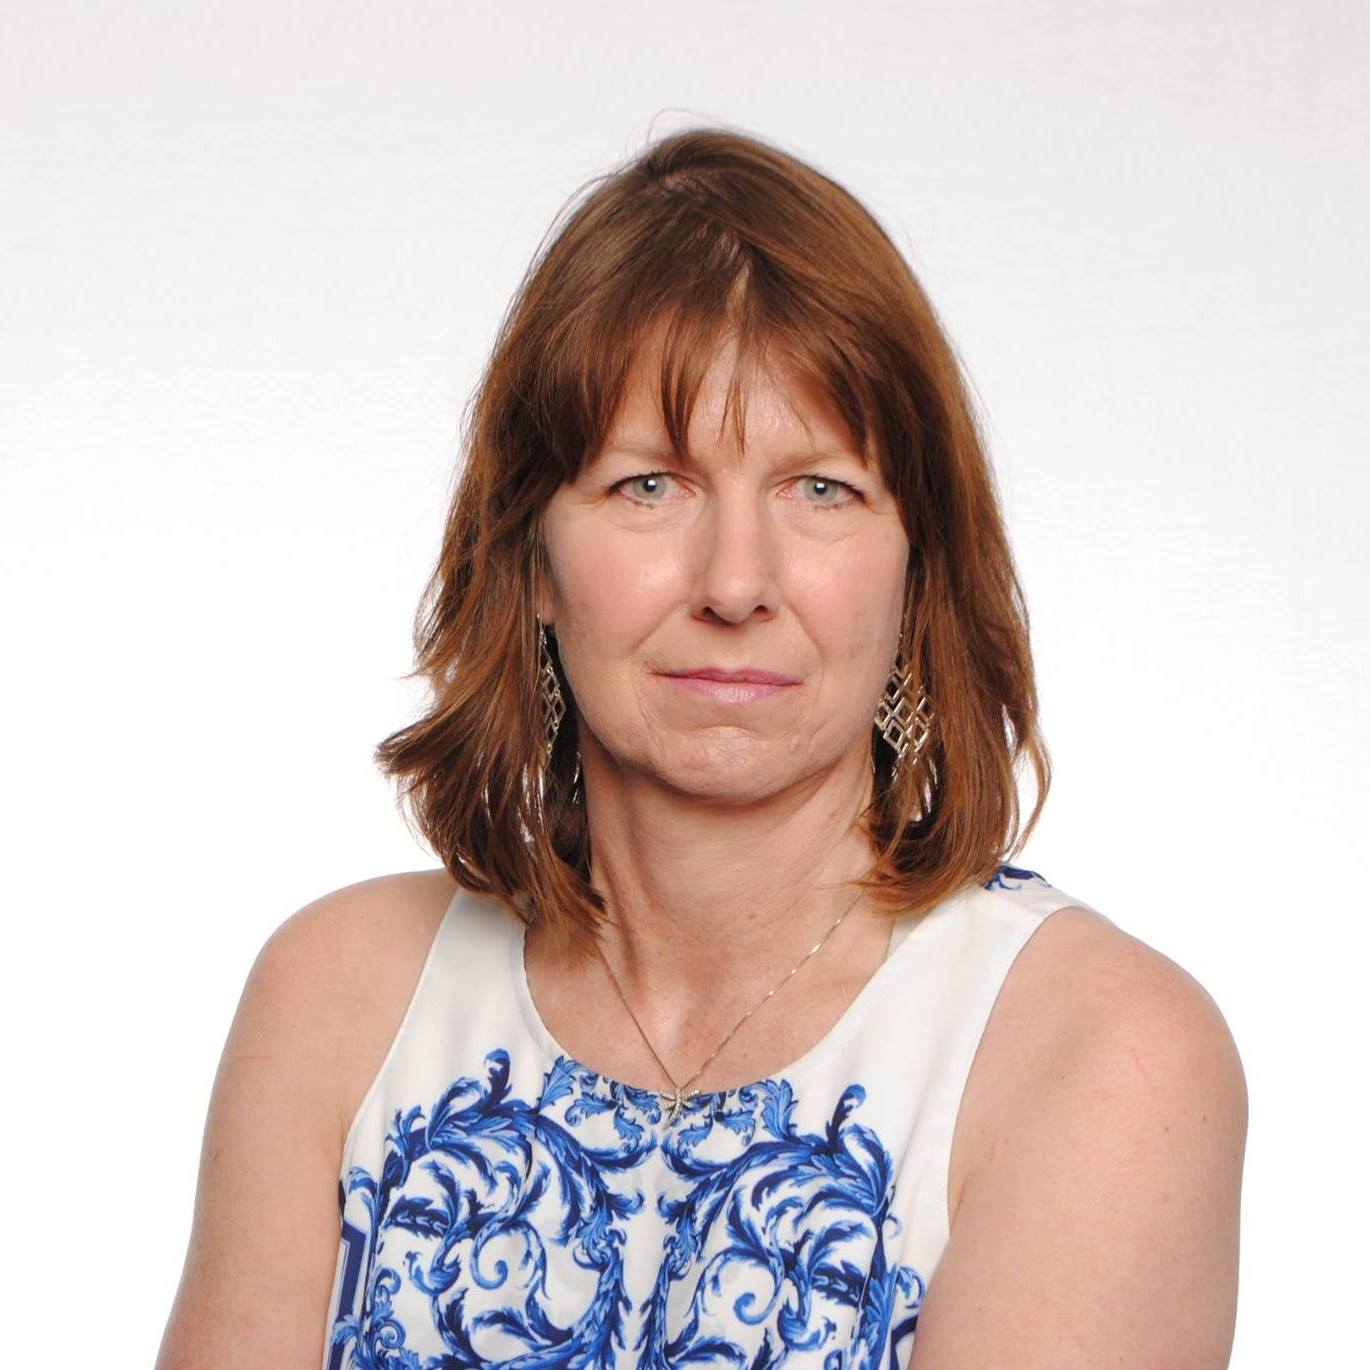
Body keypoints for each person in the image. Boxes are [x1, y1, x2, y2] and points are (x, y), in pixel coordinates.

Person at [155, 127, 1247, 1370]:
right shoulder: (336, 999)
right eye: (649, 485)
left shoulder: (1098, 1052)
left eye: (821, 488)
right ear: (531, 557)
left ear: (915, 567)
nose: (735, 582)